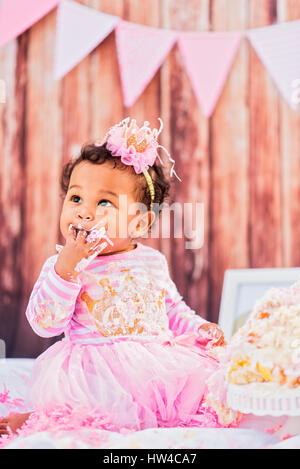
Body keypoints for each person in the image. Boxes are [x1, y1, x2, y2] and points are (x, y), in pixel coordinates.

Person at [0, 117, 225, 436]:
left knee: (203, 393)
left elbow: (172, 310)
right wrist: (67, 269)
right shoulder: (62, 264)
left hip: (152, 369)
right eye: (75, 198)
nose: (84, 212)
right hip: (92, 372)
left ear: (138, 222)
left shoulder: (152, 261)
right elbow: (44, 323)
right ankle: (38, 420)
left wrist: (200, 328)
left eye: (104, 202)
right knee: (86, 414)